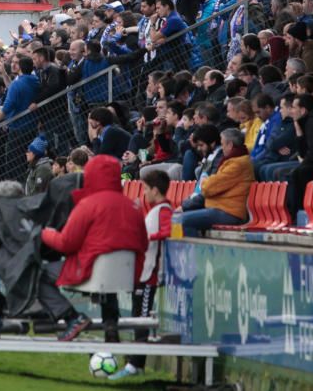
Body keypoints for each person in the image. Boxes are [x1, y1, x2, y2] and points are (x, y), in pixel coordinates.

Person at [40, 155, 147, 342]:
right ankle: (111, 325)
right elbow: (142, 244)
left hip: (90, 271)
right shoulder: (133, 206)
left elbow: (66, 243)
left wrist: (45, 233)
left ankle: (72, 318)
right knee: (109, 279)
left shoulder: (87, 204)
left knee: (39, 274)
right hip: (126, 275)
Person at [110, 169, 173, 380]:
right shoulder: (155, 210)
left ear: (155, 190)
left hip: (149, 277)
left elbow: (167, 231)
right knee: (137, 317)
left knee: (142, 319)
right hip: (141, 275)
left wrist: (145, 237)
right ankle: (133, 361)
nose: (144, 193)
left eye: (146, 189)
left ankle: (136, 364)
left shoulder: (164, 210)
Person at [178, 129, 254, 236]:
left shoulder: (238, 164)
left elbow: (209, 187)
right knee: (178, 218)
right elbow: (212, 184)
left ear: (230, 145)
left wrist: (205, 182)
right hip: (219, 208)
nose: (221, 148)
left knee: (182, 220)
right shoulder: (232, 161)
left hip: (230, 212)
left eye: (222, 144)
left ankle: (191, 252)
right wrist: (208, 182)